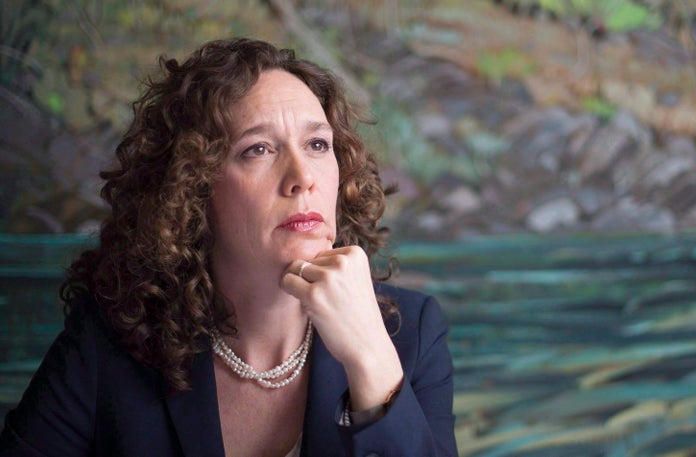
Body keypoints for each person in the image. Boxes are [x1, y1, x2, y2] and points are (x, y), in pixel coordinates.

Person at [0, 37, 457, 456]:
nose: (303, 177)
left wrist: (371, 359)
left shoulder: (411, 334)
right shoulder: (108, 340)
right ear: (191, 187)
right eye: (257, 149)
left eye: (318, 144)